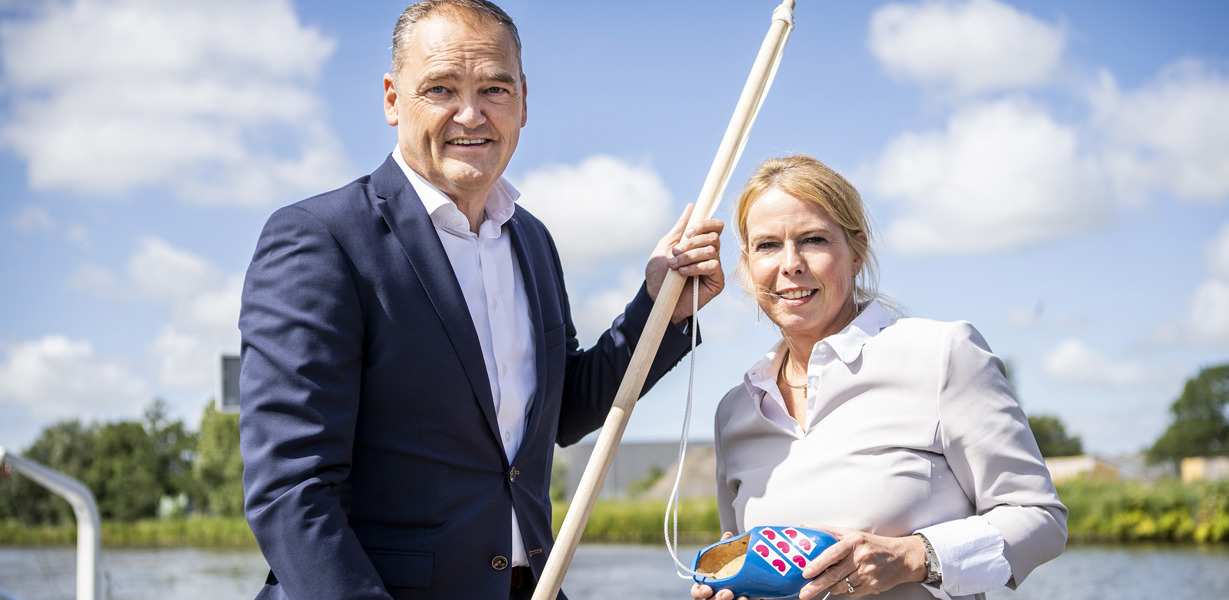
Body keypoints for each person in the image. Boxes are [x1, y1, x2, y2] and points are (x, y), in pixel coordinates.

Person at [237, 1, 724, 599]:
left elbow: (562, 411)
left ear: (523, 100)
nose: (471, 114)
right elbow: (291, 490)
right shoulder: (321, 238)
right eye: (441, 88)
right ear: (393, 99)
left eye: (494, 88)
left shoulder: (533, 240)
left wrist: (660, 307)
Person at [692, 155, 1066, 600]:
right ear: (748, 266)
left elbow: (1040, 519)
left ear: (857, 252)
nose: (790, 264)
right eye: (768, 245)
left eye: (813, 239)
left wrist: (913, 557)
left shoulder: (942, 355)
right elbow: (744, 563)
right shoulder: (734, 412)